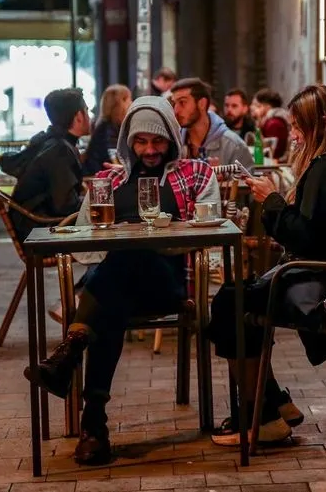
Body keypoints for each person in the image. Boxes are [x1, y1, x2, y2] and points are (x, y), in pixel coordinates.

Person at [24, 96, 220, 466]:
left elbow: (210, 231)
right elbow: (84, 243)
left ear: (172, 140)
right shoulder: (108, 180)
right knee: (112, 301)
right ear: (128, 140)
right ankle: (93, 424)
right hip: (117, 291)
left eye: (158, 141)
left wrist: (151, 237)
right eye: (141, 141)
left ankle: (72, 350)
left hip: (168, 284)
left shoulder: (196, 174)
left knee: (128, 255)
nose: (149, 150)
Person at [207, 84, 326, 446]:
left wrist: (271, 200)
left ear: (321, 123)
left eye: (299, 126)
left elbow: (306, 239)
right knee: (235, 297)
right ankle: (272, 404)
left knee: (229, 303)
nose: (295, 135)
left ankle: (262, 416)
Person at [2, 88, 91, 242]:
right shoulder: (60, 151)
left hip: (33, 226)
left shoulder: (50, 141)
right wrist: (97, 202)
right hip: (43, 232)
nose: (90, 118)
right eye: (87, 112)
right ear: (79, 117)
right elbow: (65, 206)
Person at [171, 78, 254, 169]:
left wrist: (222, 180)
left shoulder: (234, 146)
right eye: (174, 103)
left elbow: (248, 182)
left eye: (182, 102)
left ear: (202, 104)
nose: (176, 110)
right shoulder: (172, 143)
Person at [83, 84, 131, 175]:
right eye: (129, 99)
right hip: (101, 178)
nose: (131, 103)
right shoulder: (108, 129)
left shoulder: (105, 126)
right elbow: (114, 159)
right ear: (122, 102)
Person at [250, 88, 291, 160]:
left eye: (257, 106)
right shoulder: (270, 121)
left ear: (267, 107)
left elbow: (272, 153)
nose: (252, 108)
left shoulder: (274, 124)